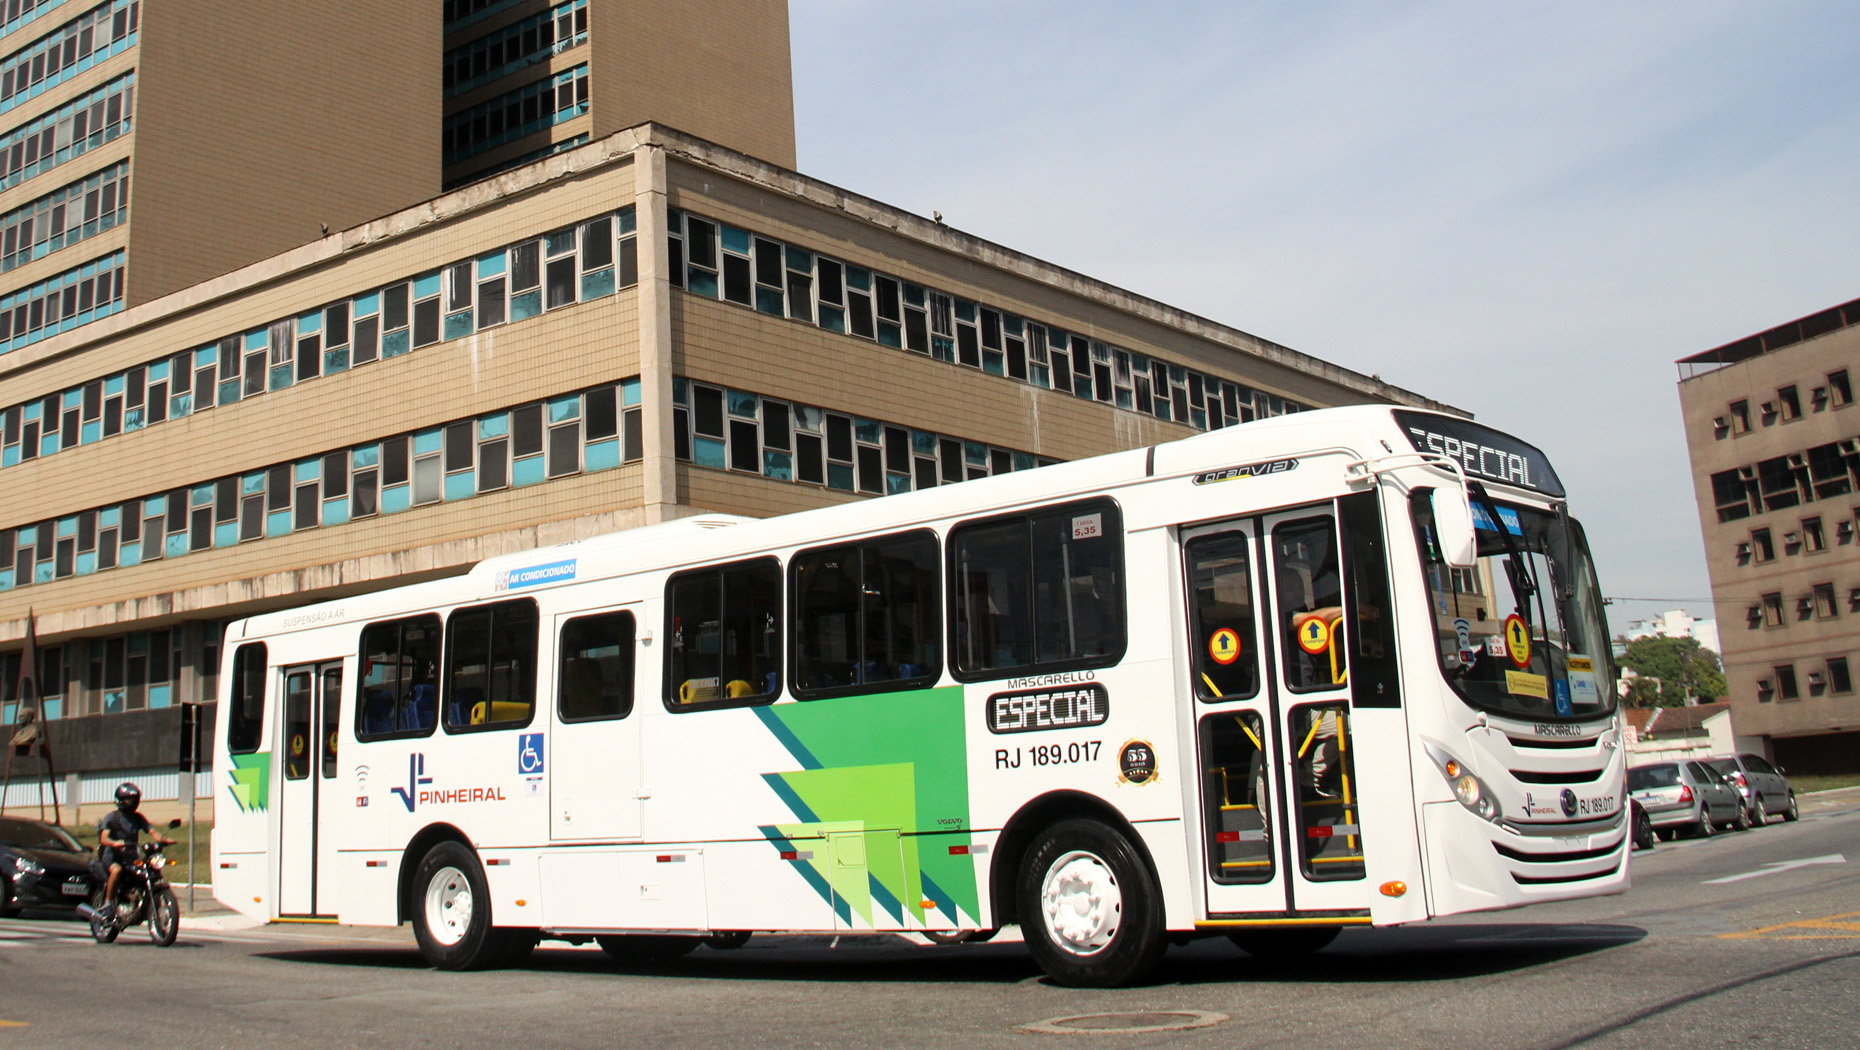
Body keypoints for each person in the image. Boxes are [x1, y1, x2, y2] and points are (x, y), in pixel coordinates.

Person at [98, 782, 174, 922]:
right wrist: (115, 843)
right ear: (120, 800)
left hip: (131, 857)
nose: (133, 803)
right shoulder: (112, 817)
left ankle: (139, 901)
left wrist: (163, 839)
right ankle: (108, 905)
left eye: (135, 799)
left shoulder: (137, 817)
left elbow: (152, 831)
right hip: (112, 856)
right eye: (129, 799)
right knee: (117, 871)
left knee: (147, 871)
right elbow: (104, 838)